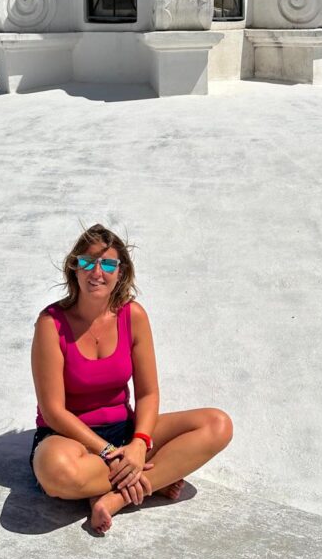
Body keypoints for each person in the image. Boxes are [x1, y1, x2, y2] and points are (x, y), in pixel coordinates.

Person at [30, 224, 233, 534]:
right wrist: (108, 454)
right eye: (87, 262)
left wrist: (139, 444)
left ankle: (114, 497)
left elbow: (148, 394)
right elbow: (54, 411)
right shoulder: (51, 323)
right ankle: (152, 479)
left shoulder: (133, 316)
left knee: (218, 424)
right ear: (74, 267)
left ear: (120, 272)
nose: (97, 272)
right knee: (56, 471)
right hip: (68, 439)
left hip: (124, 433)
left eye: (108, 264)